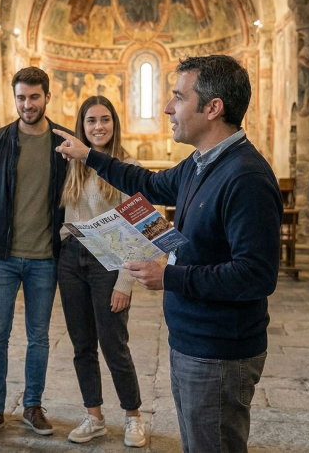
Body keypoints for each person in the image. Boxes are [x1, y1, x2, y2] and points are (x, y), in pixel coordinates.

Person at [53, 55, 282, 453]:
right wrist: (88, 155)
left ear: (212, 108)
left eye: (178, 97)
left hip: (219, 351)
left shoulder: (245, 176)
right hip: (193, 339)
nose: (167, 108)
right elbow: (147, 183)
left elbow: (256, 275)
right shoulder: (200, 164)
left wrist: (169, 277)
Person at [0, 67, 69, 438]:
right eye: (21, 98)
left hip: (45, 257)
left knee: (38, 336)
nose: (28, 104)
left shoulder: (64, 142)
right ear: (15, 99)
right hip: (2, 257)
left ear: (46, 97)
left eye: (34, 97)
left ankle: (32, 406)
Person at [58, 96, 145, 447]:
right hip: (71, 258)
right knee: (82, 345)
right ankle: (93, 415)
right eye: (91, 120)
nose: (98, 127)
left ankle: (133, 416)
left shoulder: (127, 165)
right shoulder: (71, 163)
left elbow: (138, 229)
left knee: (114, 344)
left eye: (105, 119)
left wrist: (125, 282)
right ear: (82, 126)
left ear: (115, 123)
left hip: (109, 262)